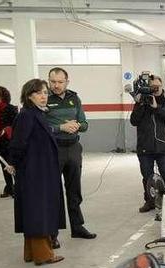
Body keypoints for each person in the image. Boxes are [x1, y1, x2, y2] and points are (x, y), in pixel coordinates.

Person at [8, 79, 66, 266]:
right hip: (34, 173)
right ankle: (43, 254)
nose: (44, 96)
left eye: (45, 93)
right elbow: (18, 144)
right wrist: (13, 164)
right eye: (39, 93)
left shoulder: (36, 114)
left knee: (35, 210)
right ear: (29, 96)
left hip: (40, 170)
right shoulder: (27, 115)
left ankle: (31, 253)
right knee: (39, 211)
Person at [45, 67, 95, 245]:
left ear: (67, 82)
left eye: (60, 82)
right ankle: (52, 234)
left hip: (73, 148)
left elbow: (85, 124)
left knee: (74, 190)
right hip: (53, 150)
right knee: (53, 192)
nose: (56, 85)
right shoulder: (44, 99)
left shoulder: (75, 98)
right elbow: (41, 127)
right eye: (53, 81)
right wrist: (60, 128)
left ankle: (77, 227)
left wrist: (76, 126)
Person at [130, 74, 165, 214]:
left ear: (162, 87)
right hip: (145, 147)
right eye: (152, 87)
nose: (155, 89)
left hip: (163, 148)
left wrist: (156, 107)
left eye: (157, 86)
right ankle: (149, 201)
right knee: (147, 177)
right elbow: (134, 121)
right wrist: (139, 104)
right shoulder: (141, 103)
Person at [0, 85, 18, 198]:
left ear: (2, 94)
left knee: (12, 166)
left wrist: (5, 130)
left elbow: (16, 125)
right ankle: (9, 188)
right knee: (4, 167)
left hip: (9, 142)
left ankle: (17, 188)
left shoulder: (11, 108)